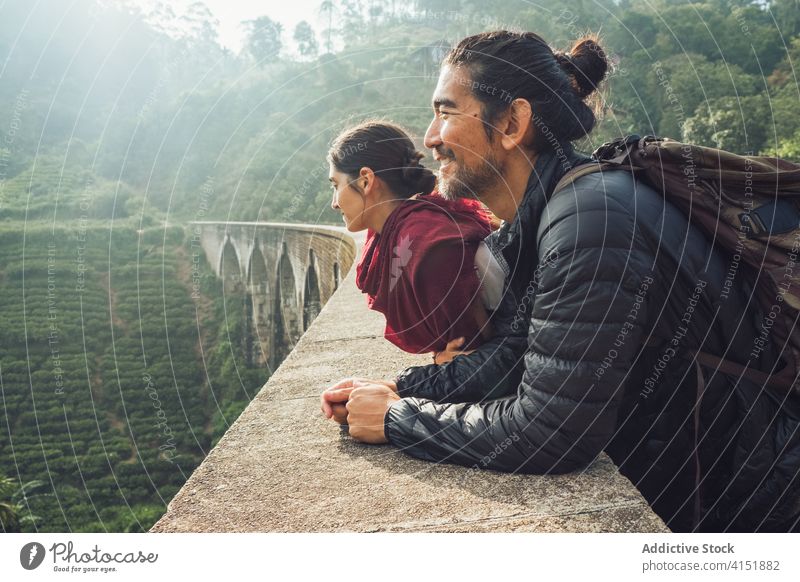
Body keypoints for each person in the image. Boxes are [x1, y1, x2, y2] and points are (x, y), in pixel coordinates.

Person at [321, 30, 800, 532]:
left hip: (751, 505)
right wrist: (401, 386)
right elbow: (520, 355)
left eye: (446, 112)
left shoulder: (591, 220)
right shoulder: (555, 209)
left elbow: (551, 431)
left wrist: (399, 421)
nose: (430, 136)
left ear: (511, 122)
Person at [327, 120, 499, 363]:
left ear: (365, 180)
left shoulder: (424, 241)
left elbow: (474, 354)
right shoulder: (396, 233)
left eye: (336, 186)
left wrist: (442, 360)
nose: (334, 202)